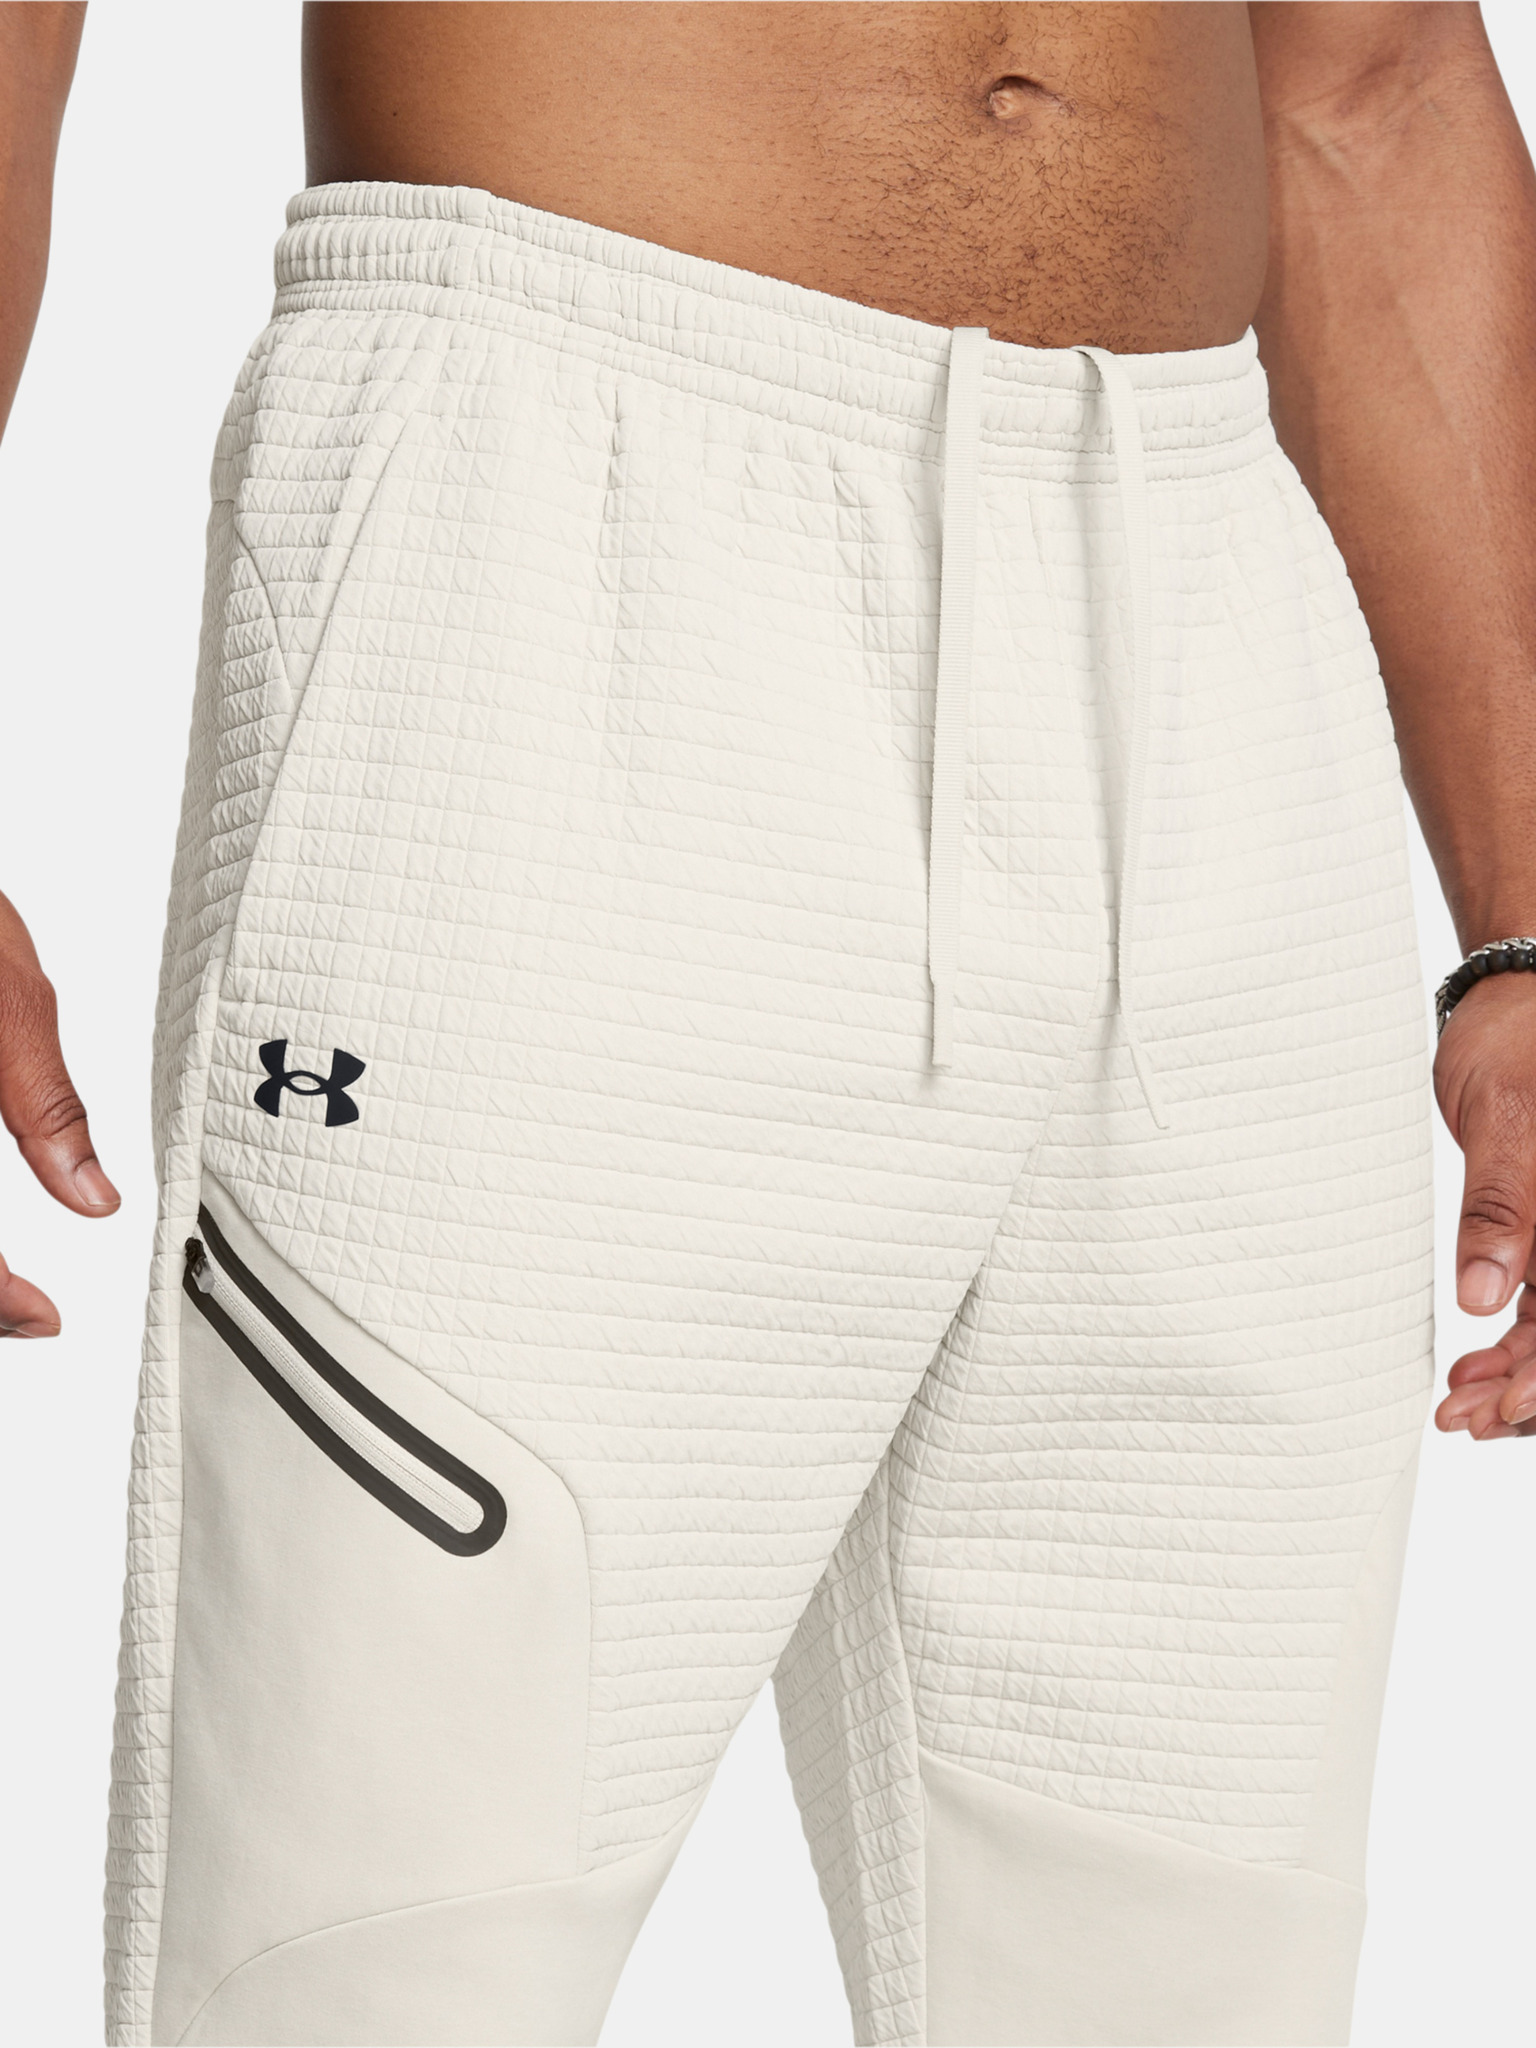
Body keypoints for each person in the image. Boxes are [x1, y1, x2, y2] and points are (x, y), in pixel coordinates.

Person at [4, 4, 1535, 2043]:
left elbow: (1373, 78)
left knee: (1189, 1976)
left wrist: (1526, 925)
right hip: (559, 531)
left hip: (1215, 631)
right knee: (377, 1958)